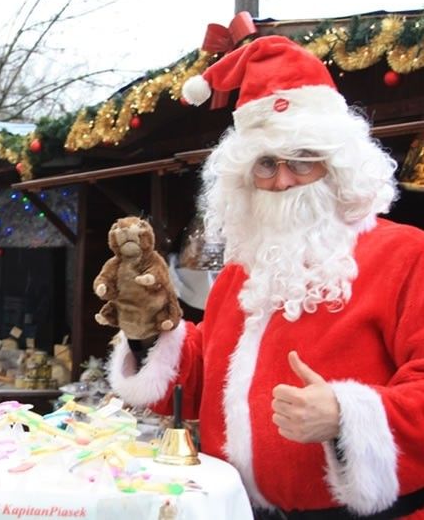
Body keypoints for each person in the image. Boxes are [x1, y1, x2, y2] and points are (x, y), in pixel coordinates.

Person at [107, 35, 424, 518]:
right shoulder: (241, 270)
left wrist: (345, 414)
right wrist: (149, 331)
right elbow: (201, 380)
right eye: (266, 165)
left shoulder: (408, 254)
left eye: (302, 159)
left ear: (338, 166)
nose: (282, 180)